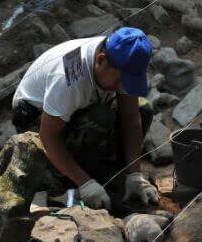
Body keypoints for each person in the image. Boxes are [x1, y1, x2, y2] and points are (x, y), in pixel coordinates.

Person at [11, 26, 159, 210]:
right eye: (121, 81)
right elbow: (49, 136)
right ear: (101, 60)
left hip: (79, 108)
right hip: (37, 120)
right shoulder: (69, 77)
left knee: (143, 108)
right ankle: (62, 179)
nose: (123, 87)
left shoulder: (123, 61)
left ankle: (113, 174)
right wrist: (86, 184)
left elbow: (131, 117)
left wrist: (134, 175)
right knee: (99, 118)